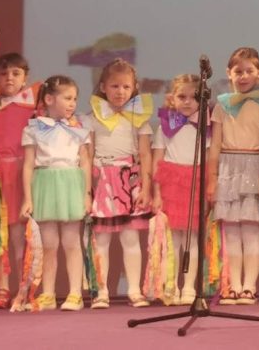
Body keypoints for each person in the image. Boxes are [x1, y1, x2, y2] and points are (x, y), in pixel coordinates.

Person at [83, 58, 153, 308]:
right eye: (114, 86)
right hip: (103, 179)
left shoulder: (139, 118)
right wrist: (88, 191)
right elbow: (88, 155)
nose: (120, 92)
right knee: (101, 240)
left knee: (130, 238)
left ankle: (134, 290)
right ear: (103, 87)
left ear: (134, 88)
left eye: (126, 87)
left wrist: (145, 188)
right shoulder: (92, 118)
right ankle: (101, 291)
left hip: (130, 181)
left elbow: (145, 155)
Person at [19, 75, 91, 312]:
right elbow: (28, 165)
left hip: (71, 184)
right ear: (49, 99)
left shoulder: (78, 129)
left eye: (75, 99)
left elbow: (85, 163)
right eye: (67, 98)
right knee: (49, 244)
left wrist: (87, 194)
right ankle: (48, 293)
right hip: (45, 184)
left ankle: (75, 293)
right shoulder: (33, 128)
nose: (72, 103)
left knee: (71, 242)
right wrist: (28, 198)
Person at [207, 47, 259, 305]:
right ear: (228, 73)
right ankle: (233, 284)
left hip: (253, 165)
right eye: (238, 71)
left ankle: (249, 286)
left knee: (250, 232)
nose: (243, 76)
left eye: (249, 71)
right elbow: (215, 146)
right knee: (231, 233)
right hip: (228, 169)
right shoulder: (222, 106)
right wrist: (212, 179)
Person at [0, 52, 38, 308]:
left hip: (22, 175)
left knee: (19, 236)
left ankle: (24, 287)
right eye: (3, 74)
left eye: (15, 73)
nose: (9, 78)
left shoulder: (33, 105)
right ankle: (1, 287)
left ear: (25, 77)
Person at [151, 73, 207, 306]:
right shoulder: (165, 126)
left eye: (193, 97)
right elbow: (157, 161)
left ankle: (190, 287)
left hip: (196, 180)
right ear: (172, 98)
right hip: (172, 182)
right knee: (173, 239)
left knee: (192, 239)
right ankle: (171, 286)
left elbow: (210, 158)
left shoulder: (206, 127)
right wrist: (156, 193)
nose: (187, 102)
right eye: (181, 97)